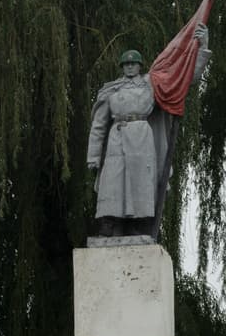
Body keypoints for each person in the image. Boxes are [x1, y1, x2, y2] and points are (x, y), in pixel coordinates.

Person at [87, 25, 208, 241]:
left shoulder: (152, 85)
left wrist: (202, 47)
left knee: (140, 181)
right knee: (113, 181)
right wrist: (94, 156)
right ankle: (108, 221)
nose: (131, 67)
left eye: (134, 63)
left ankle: (138, 223)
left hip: (142, 138)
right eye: (127, 64)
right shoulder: (111, 90)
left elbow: (185, 79)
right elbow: (98, 125)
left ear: (140, 65)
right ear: (122, 66)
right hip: (117, 137)